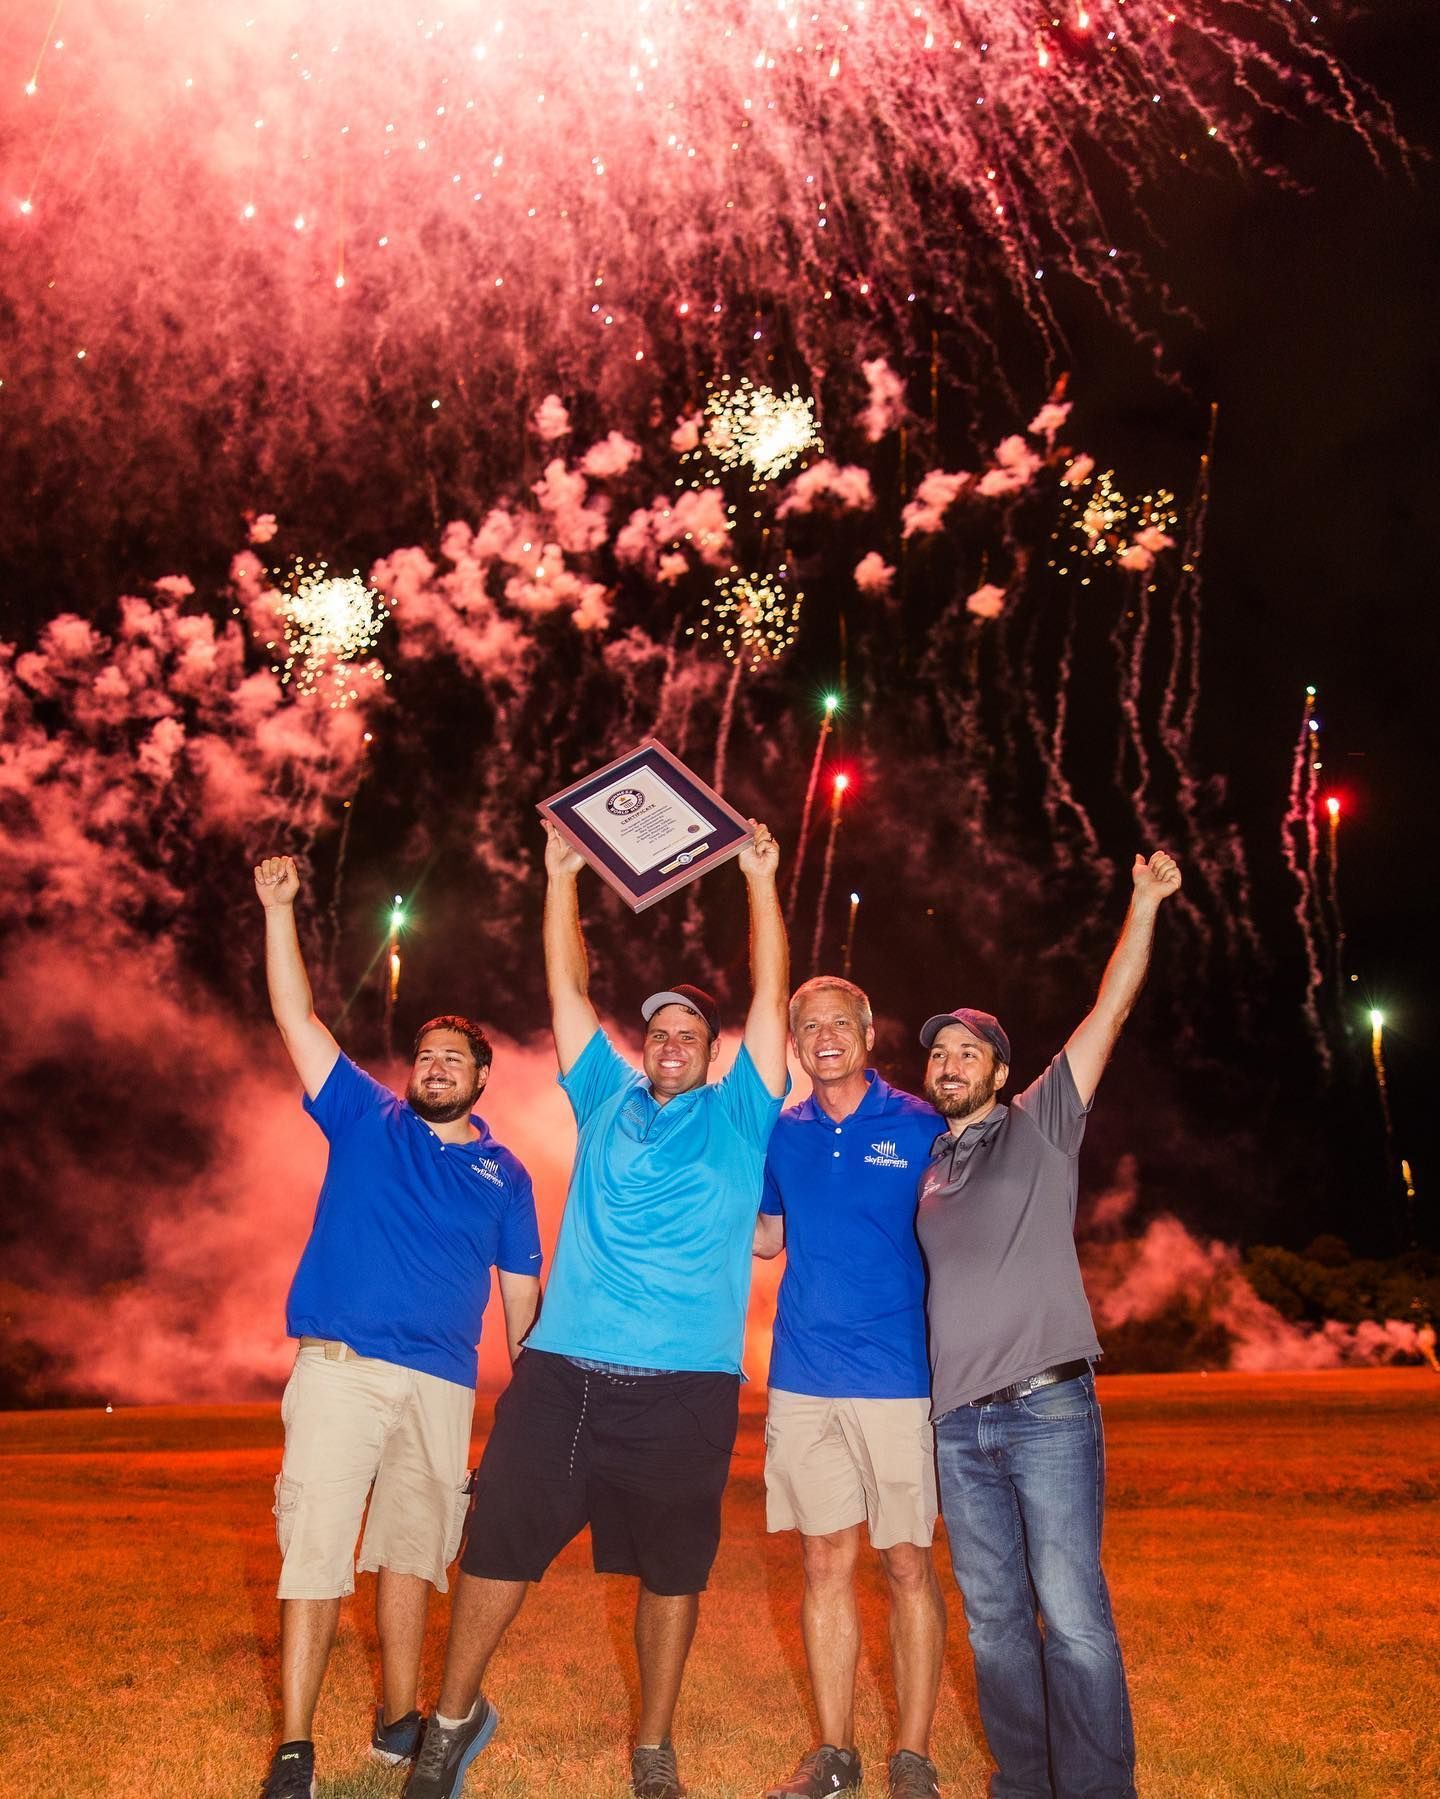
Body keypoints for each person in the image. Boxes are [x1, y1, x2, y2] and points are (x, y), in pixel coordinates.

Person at [404, 819, 789, 1799]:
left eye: (687, 1034)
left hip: (688, 1387)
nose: (667, 1042)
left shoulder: (743, 1112)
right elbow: (567, 992)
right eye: (657, 1029)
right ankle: (450, 1723)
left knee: (673, 1569)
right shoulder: (606, 1094)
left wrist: (758, 880)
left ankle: (653, 1744)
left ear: (714, 1053)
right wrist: (560, 877)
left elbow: (772, 1000)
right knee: (495, 1541)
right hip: (564, 1368)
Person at [252, 854, 542, 1799]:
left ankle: (398, 1721)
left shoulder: (507, 1175)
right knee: (318, 1546)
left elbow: (520, 1297)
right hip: (339, 1367)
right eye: (425, 1055)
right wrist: (281, 911)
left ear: (483, 1078)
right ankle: (295, 1748)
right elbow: (298, 1018)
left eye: (454, 1058)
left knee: (415, 1551)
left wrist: (528, 1402)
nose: (434, 1065)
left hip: (443, 1383)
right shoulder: (367, 1117)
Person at [916, 850, 1183, 1799]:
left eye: (966, 1052)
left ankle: (1100, 1790)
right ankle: (1025, 1782)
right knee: (991, 1618)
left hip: (1046, 1409)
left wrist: (1144, 904)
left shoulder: (1042, 1122)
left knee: (1070, 1612)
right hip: (959, 1426)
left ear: (1000, 1067)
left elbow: (1108, 1008)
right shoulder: (929, 1163)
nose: (949, 1063)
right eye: (938, 1053)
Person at [754, 976, 947, 1799]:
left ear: (870, 1031)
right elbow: (765, 1237)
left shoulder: (920, 1123)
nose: (824, 1034)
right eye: (808, 1025)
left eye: (840, 1022)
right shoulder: (780, 1133)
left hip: (899, 1376)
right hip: (803, 1376)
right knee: (823, 1558)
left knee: (906, 1562)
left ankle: (913, 1756)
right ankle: (834, 1752)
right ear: (793, 1041)